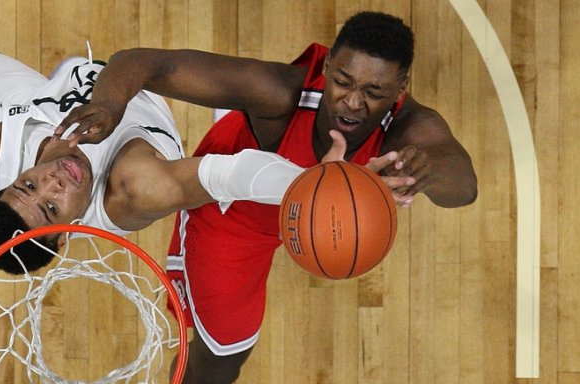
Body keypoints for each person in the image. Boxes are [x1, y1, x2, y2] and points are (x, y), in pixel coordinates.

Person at [0, 0, 409, 277]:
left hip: (38, 106)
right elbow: (230, 174)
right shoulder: (129, 191)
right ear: (68, 226)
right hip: (126, 103)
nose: (51, 181)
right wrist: (316, 182)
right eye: (51, 206)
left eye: (27, 185)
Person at [58, 11, 478, 383]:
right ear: (328, 64)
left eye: (374, 92)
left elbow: (464, 187)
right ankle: (239, 120)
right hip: (231, 209)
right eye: (343, 81)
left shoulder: (407, 124)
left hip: (308, 218)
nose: (352, 102)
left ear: (400, 87)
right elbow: (146, 61)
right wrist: (109, 105)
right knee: (221, 362)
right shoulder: (280, 92)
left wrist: (427, 169)